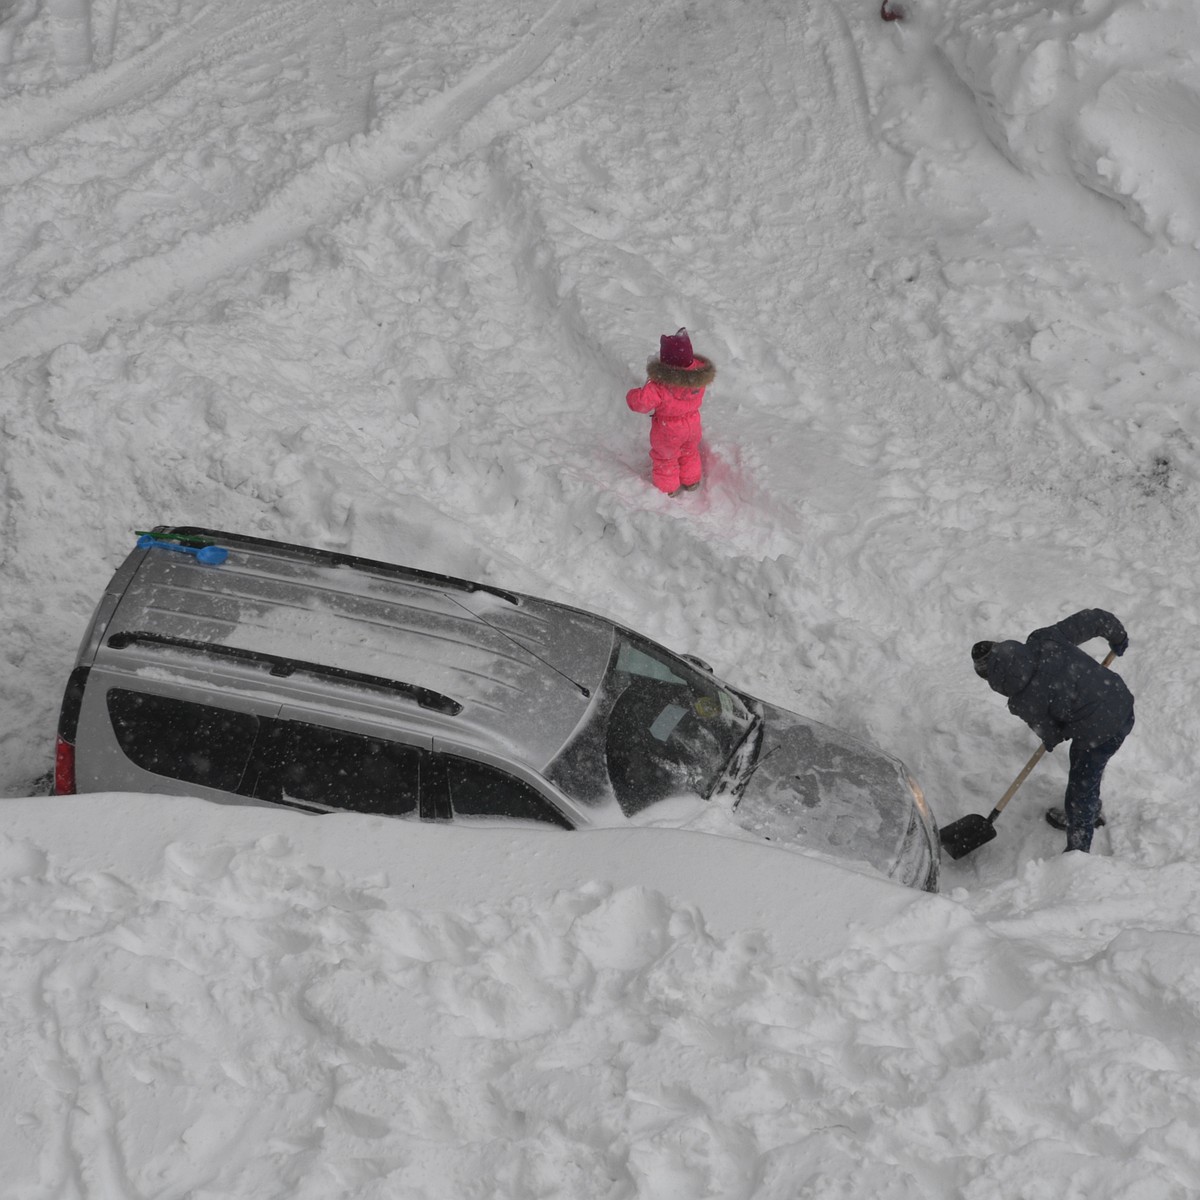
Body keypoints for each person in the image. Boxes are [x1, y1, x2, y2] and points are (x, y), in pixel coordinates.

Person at [972, 608, 1133, 853]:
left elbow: (1051, 730)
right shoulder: (1044, 639)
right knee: (1088, 772)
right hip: (1120, 699)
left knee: (1081, 787)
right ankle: (1088, 809)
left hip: (1098, 735)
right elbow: (1092, 621)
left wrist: (1051, 738)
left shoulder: (1021, 701)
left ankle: (1078, 852)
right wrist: (1117, 636)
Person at [626, 328, 716, 497]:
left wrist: (634, 394)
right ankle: (692, 481)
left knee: (665, 458)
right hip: (692, 425)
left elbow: (640, 404)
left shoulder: (659, 386)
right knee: (689, 451)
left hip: (668, 430)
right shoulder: (698, 379)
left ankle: (668, 488)